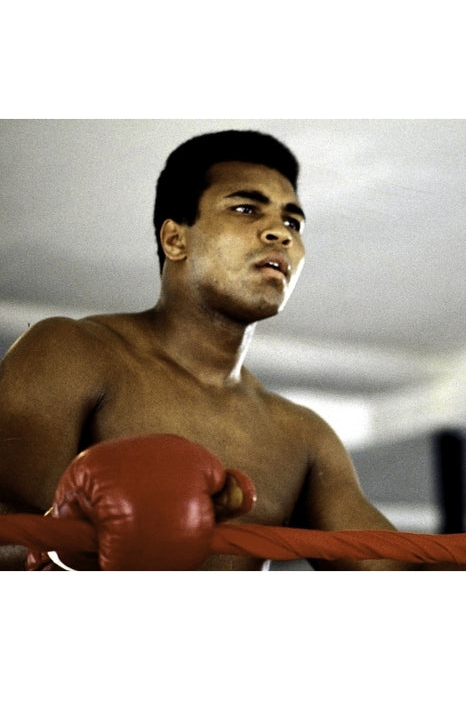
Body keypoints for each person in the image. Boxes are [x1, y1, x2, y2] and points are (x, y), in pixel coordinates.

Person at [0, 129, 402, 570]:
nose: (280, 233)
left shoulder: (301, 435)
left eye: (293, 222)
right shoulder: (69, 354)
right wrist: (65, 538)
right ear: (175, 239)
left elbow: (392, 575)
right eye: (246, 208)